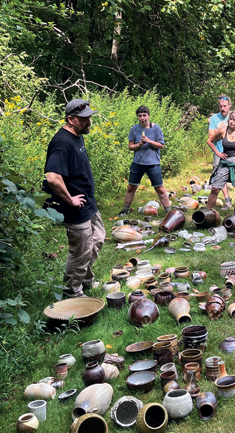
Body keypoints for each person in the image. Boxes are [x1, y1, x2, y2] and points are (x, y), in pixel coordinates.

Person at [43, 99, 105, 299]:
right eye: (84, 119)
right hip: (75, 209)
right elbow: (52, 177)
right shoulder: (62, 142)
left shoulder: (77, 135)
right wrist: (70, 200)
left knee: (97, 239)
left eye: (89, 118)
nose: (89, 123)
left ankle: (86, 279)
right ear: (70, 119)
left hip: (88, 203)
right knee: (81, 251)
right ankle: (73, 293)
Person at [117, 106, 171, 217]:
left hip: (153, 164)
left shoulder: (156, 128)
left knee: (160, 188)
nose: (142, 118)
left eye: (144, 115)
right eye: (140, 116)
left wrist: (149, 141)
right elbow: (130, 146)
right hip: (137, 163)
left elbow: (161, 146)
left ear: (148, 116)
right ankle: (125, 210)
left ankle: (169, 212)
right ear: (137, 117)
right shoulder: (134, 129)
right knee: (131, 187)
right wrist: (139, 144)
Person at [209, 95, 235, 213]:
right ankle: (226, 201)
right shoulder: (215, 118)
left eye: (224, 106)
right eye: (220, 106)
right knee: (218, 182)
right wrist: (218, 152)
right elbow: (211, 135)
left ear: (229, 106)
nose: (222, 108)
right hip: (221, 153)